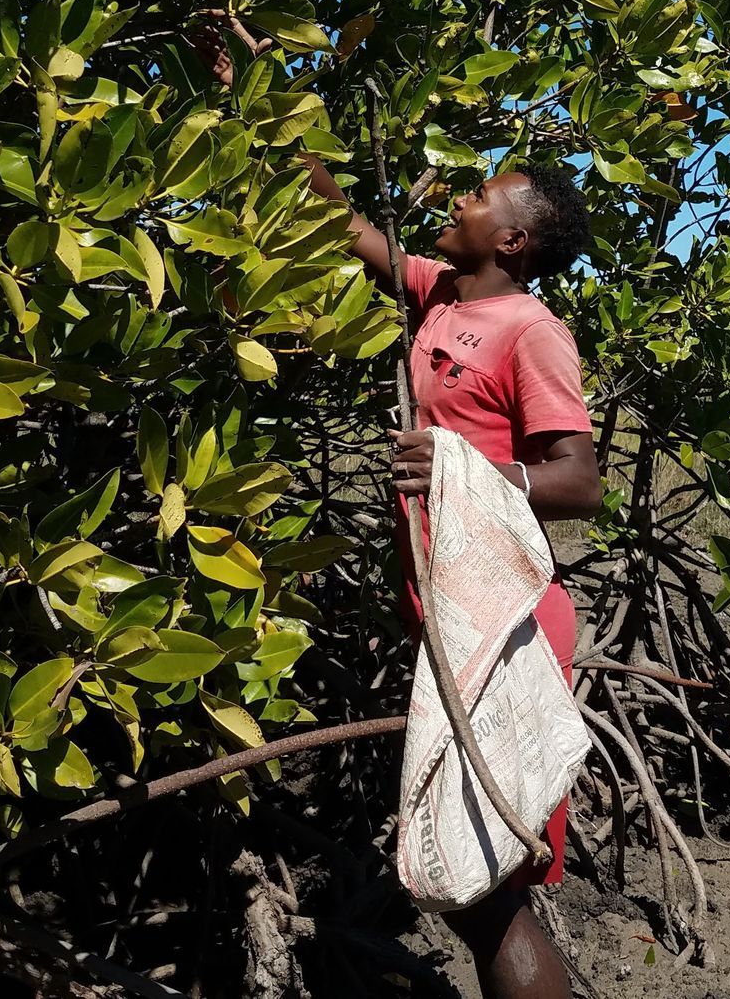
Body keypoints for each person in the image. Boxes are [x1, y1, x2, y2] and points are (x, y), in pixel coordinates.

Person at [301, 152, 600, 999]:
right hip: (451, 621)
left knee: (485, 898)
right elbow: (346, 222)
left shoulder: (531, 330)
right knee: (479, 890)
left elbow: (580, 481)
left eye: (477, 197)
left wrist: (458, 467)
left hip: (507, 628)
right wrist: (255, 85)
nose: (457, 199)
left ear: (510, 238)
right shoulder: (436, 292)